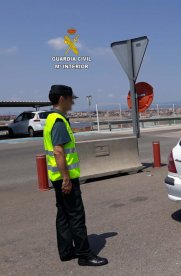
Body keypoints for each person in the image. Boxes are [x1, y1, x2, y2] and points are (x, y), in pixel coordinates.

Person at [44, 85, 108, 266]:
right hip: (65, 179)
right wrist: (66, 178)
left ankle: (66, 251)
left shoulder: (51, 119)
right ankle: (84, 255)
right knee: (76, 215)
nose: (73, 102)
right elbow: (58, 152)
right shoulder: (58, 121)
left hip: (56, 178)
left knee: (63, 215)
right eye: (71, 98)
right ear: (63, 98)